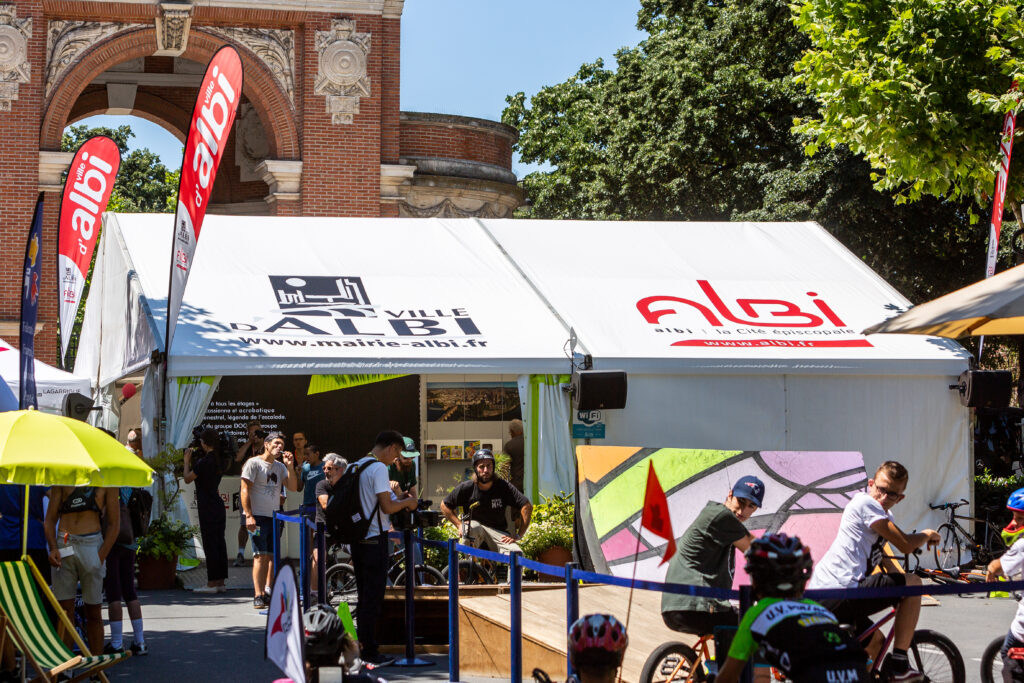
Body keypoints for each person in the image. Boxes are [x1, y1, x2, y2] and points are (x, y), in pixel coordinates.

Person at [807, 461, 939, 681]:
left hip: (838, 594)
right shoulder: (864, 503)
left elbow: (886, 558)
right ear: (871, 484)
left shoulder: (884, 518)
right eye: (881, 489)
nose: (884, 497)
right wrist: (926, 534)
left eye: (893, 494)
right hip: (838, 591)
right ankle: (898, 664)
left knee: (876, 643)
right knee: (914, 582)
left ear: (901, 498)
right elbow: (906, 544)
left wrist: (902, 588)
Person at [716, 533, 867, 683]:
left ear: (756, 578)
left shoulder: (758, 613)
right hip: (858, 674)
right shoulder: (818, 609)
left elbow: (727, 677)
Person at [661, 475, 763, 636]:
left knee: (734, 620)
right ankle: (732, 662)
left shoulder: (722, 523)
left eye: (751, 506)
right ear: (730, 495)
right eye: (740, 501)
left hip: (677, 606)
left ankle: (697, 660)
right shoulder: (721, 516)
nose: (743, 510)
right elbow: (758, 550)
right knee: (756, 626)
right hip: (695, 607)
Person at [349, 430, 419, 667]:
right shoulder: (378, 468)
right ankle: (370, 651)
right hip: (373, 541)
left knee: (363, 596)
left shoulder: (356, 465)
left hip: (357, 540)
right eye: (398, 452)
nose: (396, 458)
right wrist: (408, 502)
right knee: (372, 599)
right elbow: (387, 507)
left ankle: (363, 645)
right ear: (391, 448)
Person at [44, 486, 119, 653]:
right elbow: (49, 520)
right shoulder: (63, 475)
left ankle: (97, 670)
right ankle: (66, 669)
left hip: (92, 544)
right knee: (64, 613)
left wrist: (100, 557)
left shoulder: (106, 478)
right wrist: (53, 547)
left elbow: (114, 525)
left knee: (94, 611)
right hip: (65, 543)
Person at [241, 431, 298, 609]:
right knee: (260, 555)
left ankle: (268, 592)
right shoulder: (254, 463)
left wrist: (290, 467)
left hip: (275, 517)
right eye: (276, 443)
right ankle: (257, 595)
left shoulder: (280, 467)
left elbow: (293, 488)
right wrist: (249, 515)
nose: (279, 447)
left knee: (272, 556)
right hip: (257, 517)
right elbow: (244, 490)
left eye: (281, 444)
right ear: (266, 444)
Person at [440, 448, 533, 555]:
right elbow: (444, 505)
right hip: (475, 530)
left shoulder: (503, 486)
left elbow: (526, 506)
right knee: (472, 527)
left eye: (489, 466)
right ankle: (465, 567)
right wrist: (459, 525)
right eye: (481, 467)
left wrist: (519, 535)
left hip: (498, 534)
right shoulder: (467, 487)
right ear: (475, 468)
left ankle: (510, 570)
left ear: (493, 467)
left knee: (517, 554)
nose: (485, 470)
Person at [102, 486, 147, 656]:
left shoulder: (109, 486)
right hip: (130, 541)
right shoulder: (132, 485)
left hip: (111, 542)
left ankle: (116, 643)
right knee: (130, 591)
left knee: (114, 592)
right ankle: (140, 641)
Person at [183, 427, 228, 594]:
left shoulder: (204, 462)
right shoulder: (218, 460)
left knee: (210, 544)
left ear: (204, 443)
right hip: (217, 505)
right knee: (219, 543)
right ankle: (221, 582)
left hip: (207, 506)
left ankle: (211, 583)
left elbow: (188, 479)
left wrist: (187, 461)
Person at [986, 487, 1024, 681]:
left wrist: (991, 571)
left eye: (1020, 518)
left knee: (1008, 655)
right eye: (1014, 517)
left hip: (1022, 628)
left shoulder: (1022, 545)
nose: (1015, 522)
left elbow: (997, 566)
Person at [296, 442, 325, 598]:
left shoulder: (325, 467)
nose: (305, 457)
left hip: (320, 508)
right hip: (307, 508)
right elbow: (300, 487)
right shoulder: (305, 468)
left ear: (317, 453)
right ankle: (304, 589)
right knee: (307, 549)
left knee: (319, 549)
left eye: (308, 454)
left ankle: (317, 586)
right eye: (304, 454)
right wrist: (297, 473)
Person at [233, 420, 263, 566]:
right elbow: (237, 458)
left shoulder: (266, 446)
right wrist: (249, 442)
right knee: (244, 522)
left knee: (260, 522)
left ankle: (259, 553)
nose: (254, 435)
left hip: (261, 489)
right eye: (251, 432)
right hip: (246, 489)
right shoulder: (247, 447)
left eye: (257, 431)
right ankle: (240, 553)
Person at [502, 418, 526, 495]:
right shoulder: (530, 442)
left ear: (512, 431)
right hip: (532, 483)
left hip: (517, 485)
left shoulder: (509, 446)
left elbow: (504, 468)